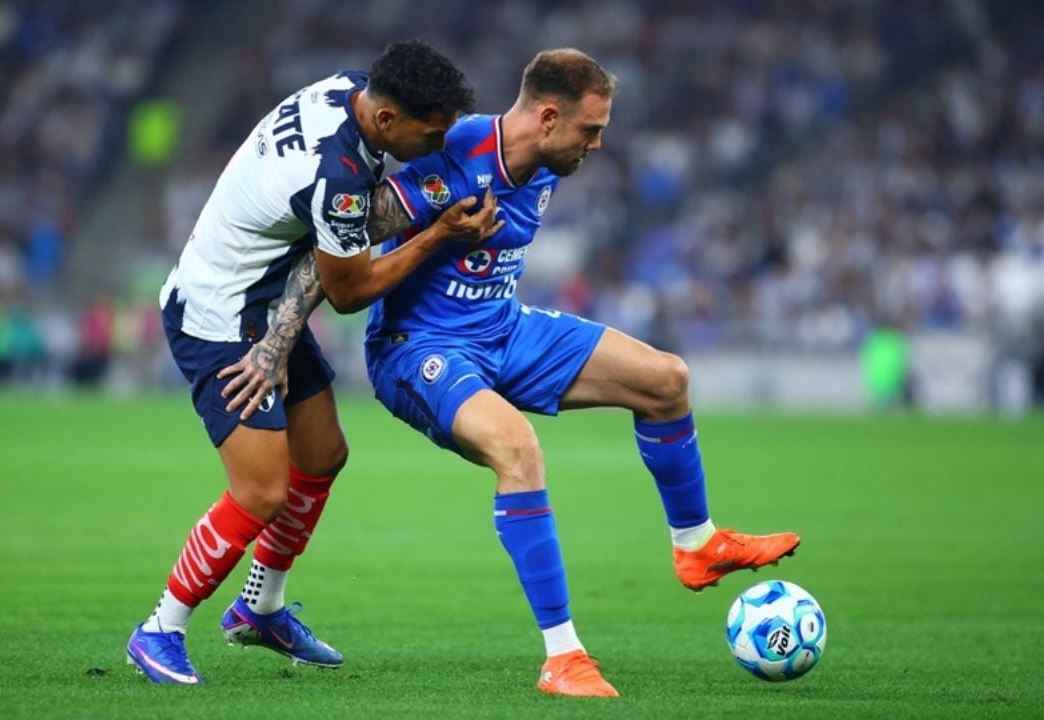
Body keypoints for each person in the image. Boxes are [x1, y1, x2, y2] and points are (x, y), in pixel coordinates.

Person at [245, 49, 801, 698]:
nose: (599, 144)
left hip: (504, 331)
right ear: (546, 117)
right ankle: (562, 658)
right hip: (419, 349)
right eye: (590, 130)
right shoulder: (450, 161)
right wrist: (276, 341)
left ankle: (697, 544)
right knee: (518, 449)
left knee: (666, 380)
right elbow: (341, 243)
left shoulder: (545, 157)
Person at [129, 40, 501, 685]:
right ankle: (160, 628)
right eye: (431, 132)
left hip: (264, 303)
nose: (438, 144)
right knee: (262, 490)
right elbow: (351, 292)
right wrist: (437, 235)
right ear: (387, 120)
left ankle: (259, 608)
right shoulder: (338, 177)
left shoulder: (347, 88)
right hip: (219, 316)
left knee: (323, 454)